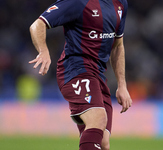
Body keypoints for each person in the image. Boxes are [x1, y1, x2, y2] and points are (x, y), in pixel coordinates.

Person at [29, 0, 132, 150]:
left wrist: (122, 85)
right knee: (98, 117)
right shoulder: (77, 1)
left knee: (103, 143)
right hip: (75, 70)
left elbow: (118, 46)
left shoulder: (121, 3)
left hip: (98, 76)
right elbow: (37, 24)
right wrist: (43, 50)